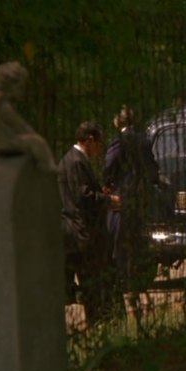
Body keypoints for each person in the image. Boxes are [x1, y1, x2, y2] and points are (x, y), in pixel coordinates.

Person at [103, 106, 162, 328]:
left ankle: (124, 285)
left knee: (119, 242)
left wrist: (109, 183)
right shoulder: (144, 140)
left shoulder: (118, 141)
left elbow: (109, 167)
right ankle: (138, 283)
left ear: (118, 121)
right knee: (137, 242)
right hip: (141, 199)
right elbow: (152, 169)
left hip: (123, 198)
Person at [58, 121, 120, 325]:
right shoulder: (76, 161)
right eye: (99, 144)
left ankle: (99, 322)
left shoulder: (70, 160)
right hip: (83, 231)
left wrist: (99, 193)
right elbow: (83, 197)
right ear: (90, 140)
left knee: (91, 283)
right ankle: (98, 324)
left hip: (75, 229)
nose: (100, 149)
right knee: (93, 283)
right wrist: (109, 201)